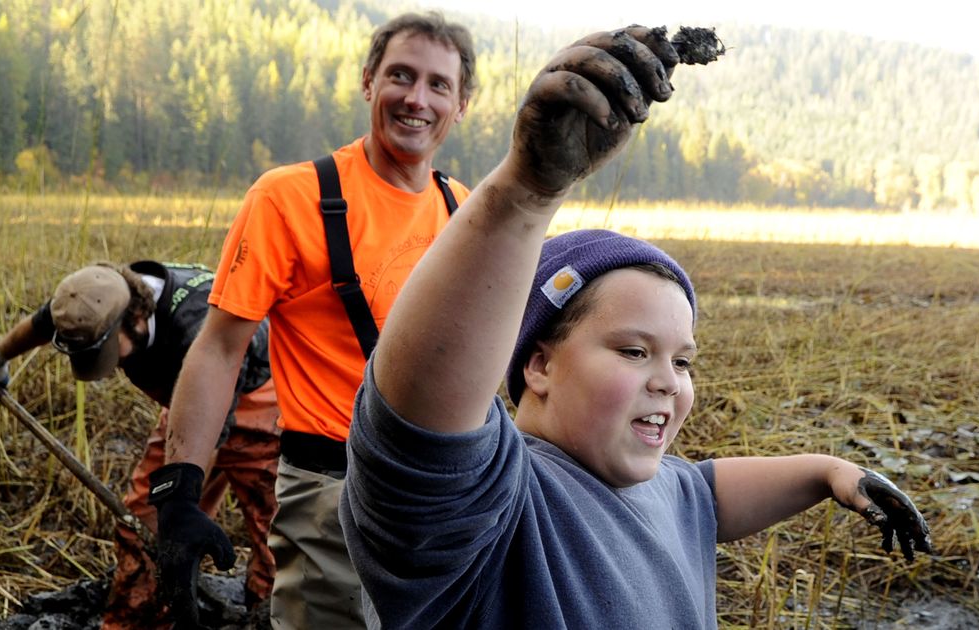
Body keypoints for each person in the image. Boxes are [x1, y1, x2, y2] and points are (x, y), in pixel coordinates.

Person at [338, 25, 934, 628]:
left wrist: (829, 472)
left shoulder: (658, 487)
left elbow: (706, 493)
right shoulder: (488, 510)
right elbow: (420, 419)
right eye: (633, 351)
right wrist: (526, 193)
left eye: (682, 361)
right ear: (539, 363)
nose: (669, 382)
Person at [150, 11, 475, 629]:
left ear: (462, 104)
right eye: (400, 76)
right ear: (368, 83)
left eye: (438, 85)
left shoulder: (463, 208)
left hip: (446, 502)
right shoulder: (288, 197)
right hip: (334, 498)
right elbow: (218, 349)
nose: (416, 98)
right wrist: (179, 490)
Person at [0, 262, 278, 629]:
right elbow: (44, 319)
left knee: (276, 539)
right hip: (185, 403)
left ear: (139, 317)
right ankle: (135, 621)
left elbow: (204, 436)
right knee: (142, 528)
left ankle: (266, 617)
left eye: (114, 354)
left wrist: (181, 510)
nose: (112, 368)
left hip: (260, 405)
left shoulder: (198, 328)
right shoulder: (91, 300)